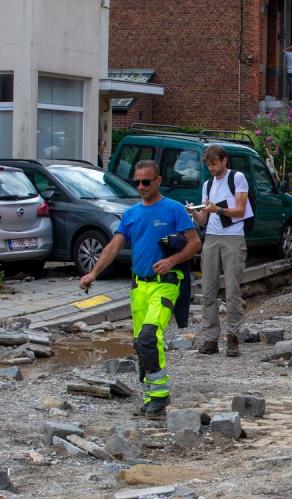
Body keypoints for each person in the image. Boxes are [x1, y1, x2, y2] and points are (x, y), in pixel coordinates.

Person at [80, 160, 201, 415]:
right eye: (137, 182)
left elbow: (194, 243)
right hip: (139, 287)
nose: (141, 186)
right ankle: (150, 397)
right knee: (141, 343)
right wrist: (93, 273)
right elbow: (114, 246)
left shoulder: (174, 210)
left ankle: (160, 395)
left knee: (149, 336)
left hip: (167, 284)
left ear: (158, 181)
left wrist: (172, 260)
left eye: (146, 181)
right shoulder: (132, 214)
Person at [189, 146, 254, 357]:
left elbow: (241, 210)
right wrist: (193, 213)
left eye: (214, 164)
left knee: (232, 289)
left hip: (233, 236)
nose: (212, 168)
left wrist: (218, 209)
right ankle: (210, 339)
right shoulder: (207, 184)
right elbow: (204, 219)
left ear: (224, 160)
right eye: (208, 165)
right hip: (211, 236)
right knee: (208, 288)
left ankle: (233, 338)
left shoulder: (237, 178)